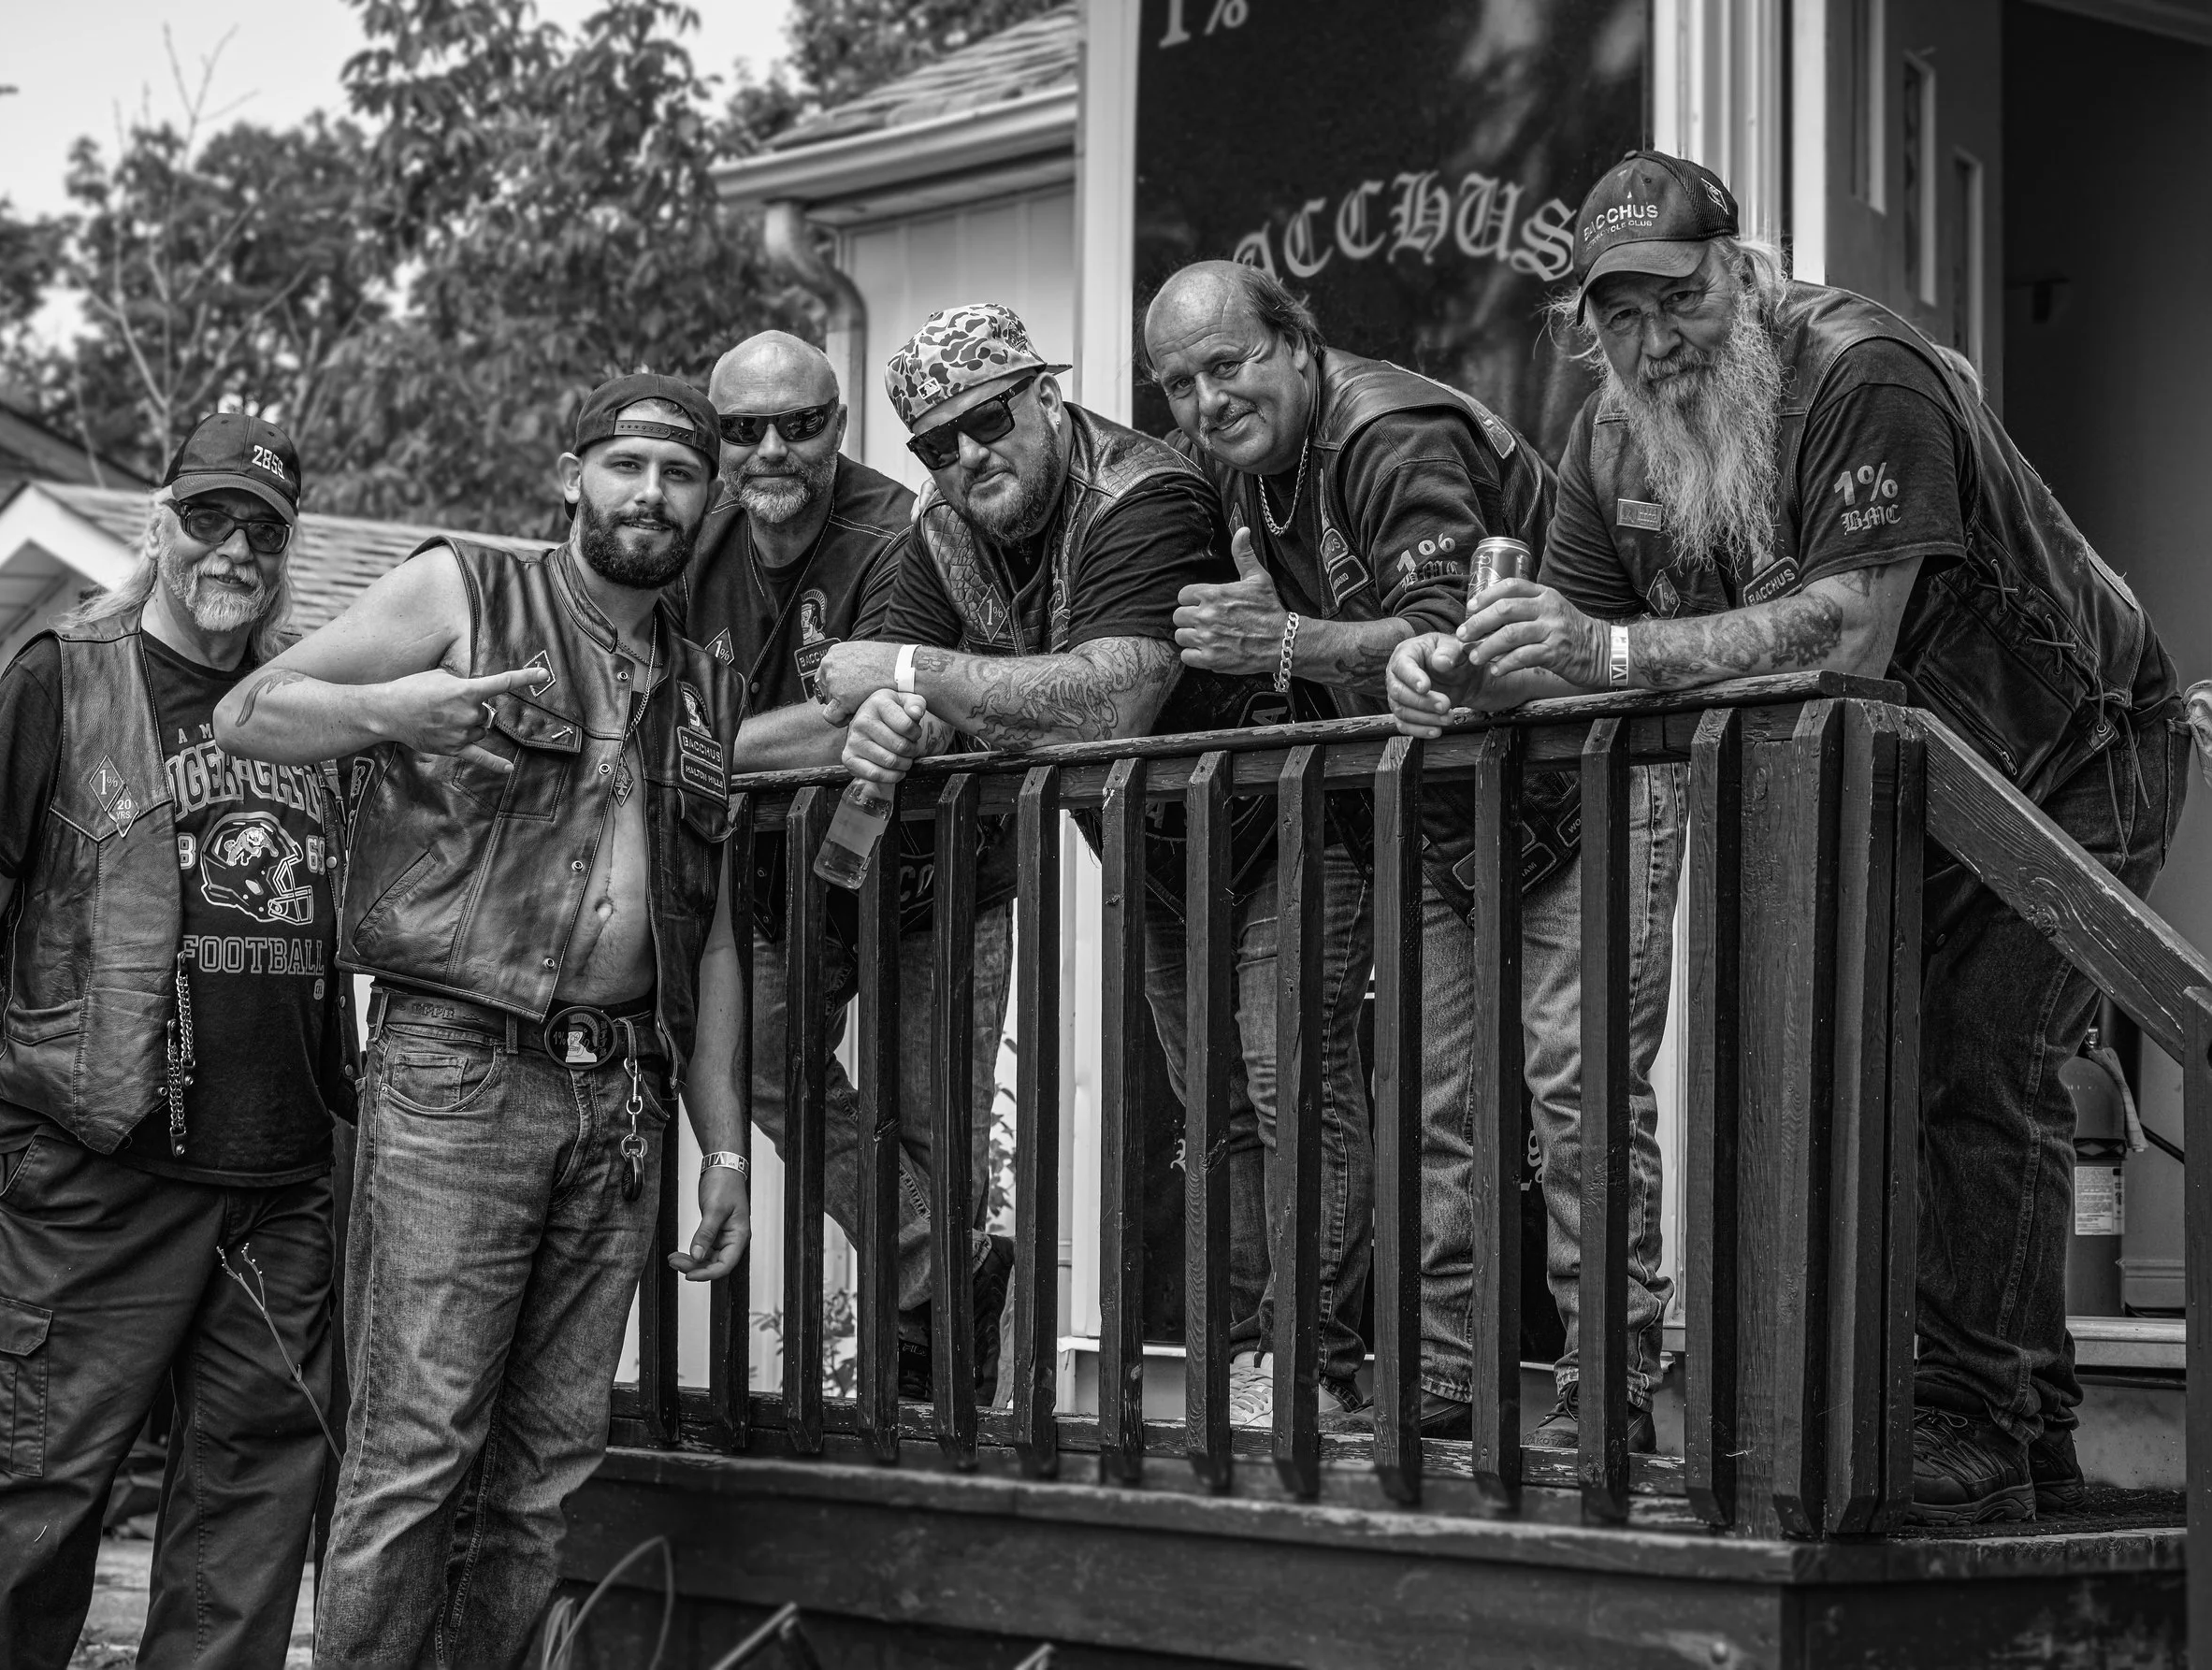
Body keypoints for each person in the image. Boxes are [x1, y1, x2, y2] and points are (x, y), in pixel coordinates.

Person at [1388, 150, 2186, 1522]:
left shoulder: (1864, 371)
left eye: (1678, 300)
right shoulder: (1610, 429)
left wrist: (1610, 645)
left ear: (1742, 274)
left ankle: (1971, 1416)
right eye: (1615, 315)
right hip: (1908, 787)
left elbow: (1848, 626)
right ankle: (2034, 1430)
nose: (1651, 339)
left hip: (2075, 754)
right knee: (1912, 1072)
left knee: (1973, 1069)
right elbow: (1573, 645)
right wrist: (1459, 673)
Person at [215, 373, 752, 1662]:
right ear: (574, 476)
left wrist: (724, 1140)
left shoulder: (704, 678)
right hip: (459, 1065)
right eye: (626, 466)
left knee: (547, 1468)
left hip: (619, 1090)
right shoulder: (466, 587)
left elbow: (716, 928)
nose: (651, 494)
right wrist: (389, 711)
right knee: (416, 1449)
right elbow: (250, 710)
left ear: (706, 500)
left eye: (679, 475)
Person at [1144, 261, 1677, 1449]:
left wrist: (1279, 641)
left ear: (1293, 342)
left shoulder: (1391, 430)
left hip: (1584, 777)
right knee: (1439, 1102)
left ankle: (1607, 1394)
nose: (1205, 403)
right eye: (1177, 385)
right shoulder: (1240, 476)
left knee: (1574, 1093)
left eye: (1226, 366)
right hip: (1452, 808)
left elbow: (1447, 641)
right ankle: (1444, 1378)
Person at [811, 303, 1340, 1422]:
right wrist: (891, 720)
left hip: (1283, 833)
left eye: (988, 420)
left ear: (1047, 400)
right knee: (1216, 1117)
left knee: (1295, 1101)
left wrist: (907, 668)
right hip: (1155, 859)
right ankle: (1249, 1363)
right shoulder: (945, 526)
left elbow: (1112, 693)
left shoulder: (1144, 492)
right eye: (935, 445)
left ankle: (1319, 1370)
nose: (966, 456)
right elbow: (899, 700)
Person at [0, 412, 349, 1666]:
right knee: (26, 1508)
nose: (233, 548)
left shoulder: (307, 698)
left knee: (250, 1527)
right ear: (158, 525)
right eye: (208, 518)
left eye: (262, 529)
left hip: (277, 1186)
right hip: (86, 1170)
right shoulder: (61, 673)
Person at [685, 330, 1014, 1401]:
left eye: (800, 424)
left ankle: (929, 1384)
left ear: (838, 425)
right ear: (717, 439)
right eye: (743, 430)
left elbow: (864, 722)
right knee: (754, 1064)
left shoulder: (902, 529)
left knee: (933, 1119)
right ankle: (944, 1267)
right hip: (778, 884)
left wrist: (678, 748)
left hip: (935, 877)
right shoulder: (694, 537)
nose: (770, 449)